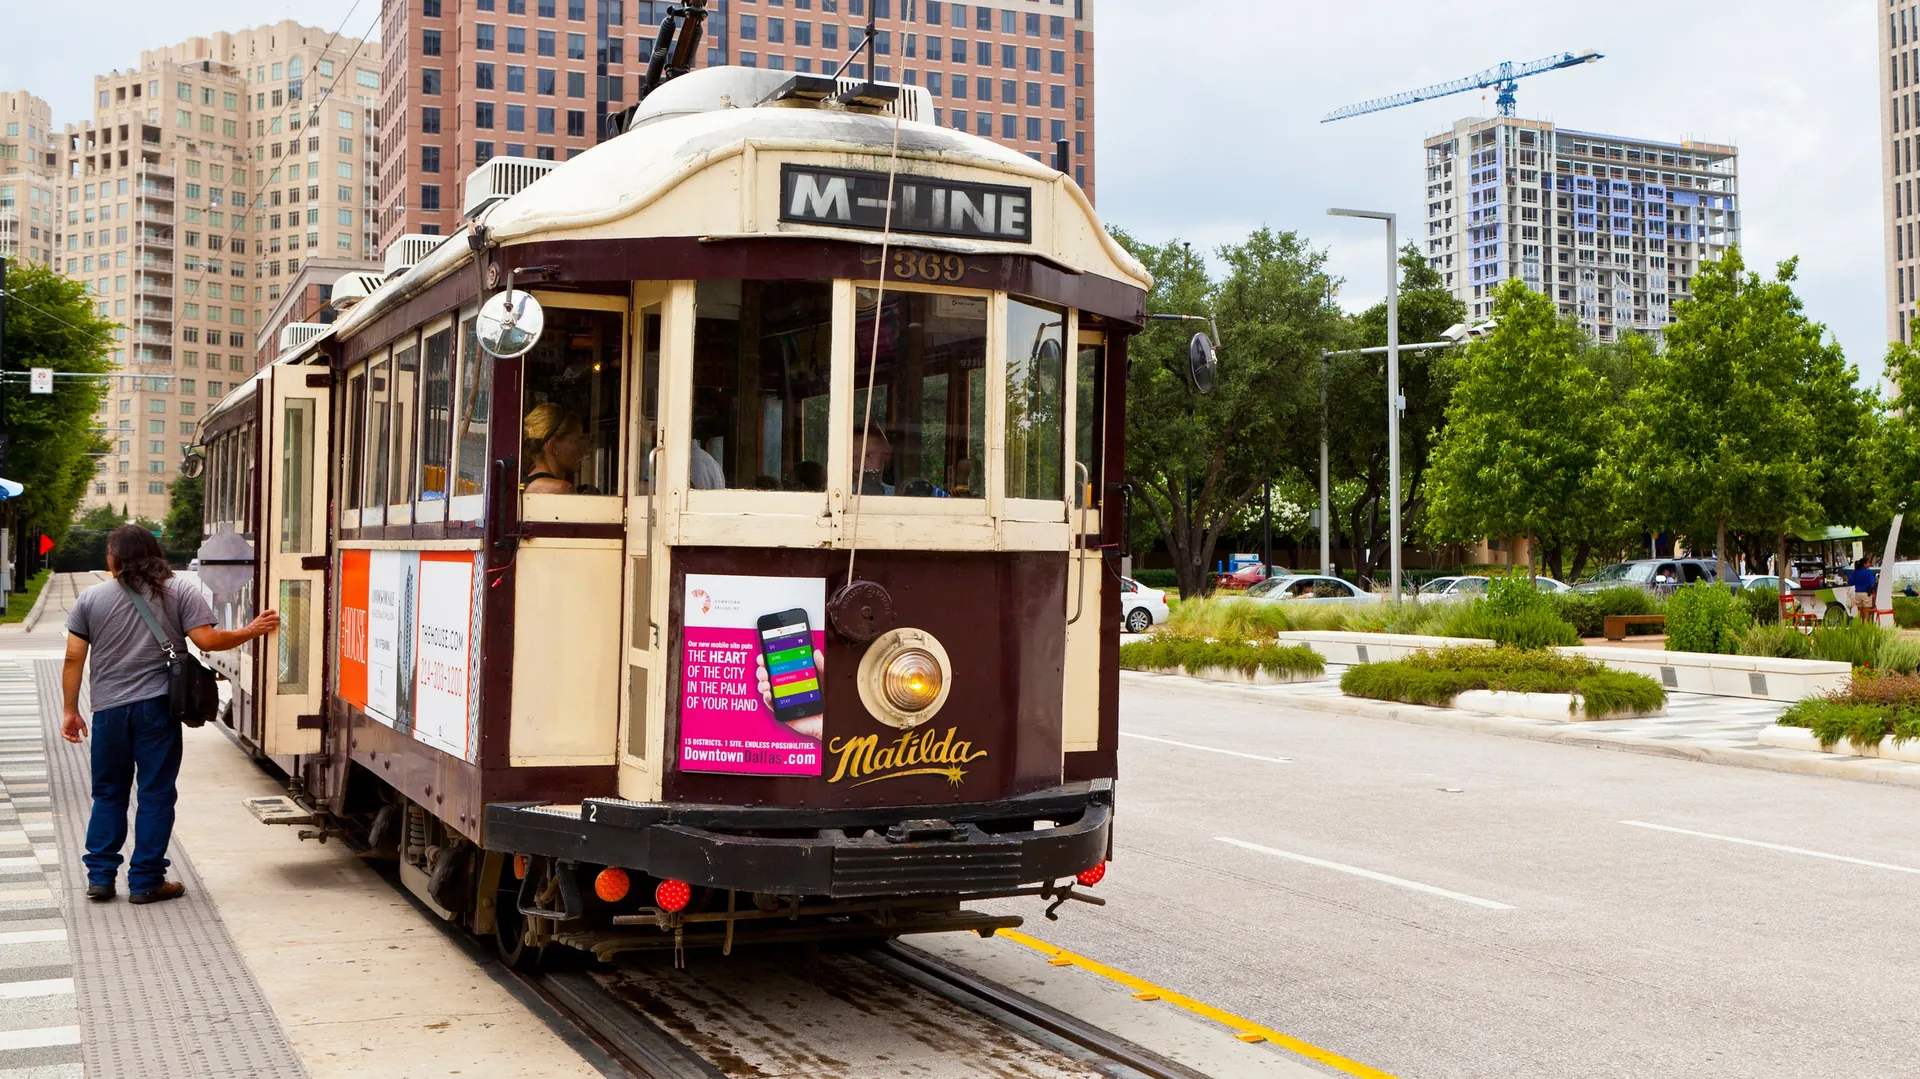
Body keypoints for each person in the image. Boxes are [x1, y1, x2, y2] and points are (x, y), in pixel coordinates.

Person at [61, 525, 279, 905]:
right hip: (156, 709)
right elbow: (208, 641)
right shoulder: (179, 590)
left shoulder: (91, 598)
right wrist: (252, 630)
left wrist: (69, 710)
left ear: (114, 559)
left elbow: (73, 658)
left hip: (108, 713)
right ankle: (146, 881)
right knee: (156, 794)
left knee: (108, 794)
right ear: (152, 553)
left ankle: (100, 877)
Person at [522, 403, 587, 494]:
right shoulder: (562, 489)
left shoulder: (524, 484)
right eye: (575, 442)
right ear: (554, 446)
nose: (583, 451)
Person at [1850, 553, 1879, 620]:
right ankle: (1866, 628)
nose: (1869, 564)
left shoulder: (1855, 572)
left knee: (1859, 612)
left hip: (1857, 594)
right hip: (1866, 594)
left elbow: (1850, 582)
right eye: (1868, 563)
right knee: (1866, 614)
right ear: (1864, 564)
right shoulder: (1868, 572)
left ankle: (1859, 625)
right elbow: (1873, 583)